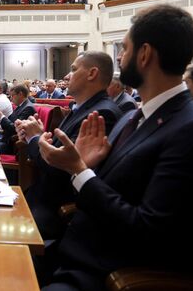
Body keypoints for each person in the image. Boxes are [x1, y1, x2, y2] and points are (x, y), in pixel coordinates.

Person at [36, 4, 193, 290]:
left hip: (109, 276)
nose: (120, 58)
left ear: (145, 54)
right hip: (73, 253)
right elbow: (116, 192)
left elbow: (148, 231)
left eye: (124, 49)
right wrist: (88, 167)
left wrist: (79, 172)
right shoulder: (132, 115)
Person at [15, 51, 122, 240]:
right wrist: (35, 136)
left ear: (92, 74)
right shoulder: (82, 107)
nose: (66, 76)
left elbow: (60, 167)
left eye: (73, 69)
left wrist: (35, 139)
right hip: (41, 195)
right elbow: (57, 152)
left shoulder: (101, 113)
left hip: (55, 208)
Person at [0, 85, 36, 155]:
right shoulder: (20, 106)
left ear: (20, 94)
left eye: (12, 95)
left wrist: (2, 117)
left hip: (13, 144)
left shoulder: (28, 108)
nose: (11, 99)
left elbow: (15, 128)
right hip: (6, 139)